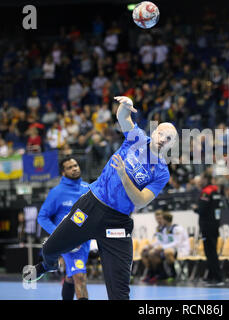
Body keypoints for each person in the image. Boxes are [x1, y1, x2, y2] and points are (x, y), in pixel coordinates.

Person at [23, 96, 178, 300]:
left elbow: (141, 201)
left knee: (120, 291)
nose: (162, 139)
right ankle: (47, 266)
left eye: (168, 139)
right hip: (92, 205)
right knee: (49, 248)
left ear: (170, 144)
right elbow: (123, 117)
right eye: (161, 133)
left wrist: (124, 176)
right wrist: (126, 106)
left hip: (117, 222)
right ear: (154, 131)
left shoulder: (161, 173)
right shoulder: (137, 138)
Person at [37, 156, 90, 300]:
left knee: (71, 276)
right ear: (63, 172)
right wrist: (59, 235)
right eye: (69, 167)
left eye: (76, 165)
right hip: (68, 244)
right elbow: (42, 217)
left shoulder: (88, 188)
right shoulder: (57, 192)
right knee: (79, 276)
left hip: (84, 242)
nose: (74, 169)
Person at [193, 173, 224, 286]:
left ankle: (218, 277)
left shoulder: (207, 191)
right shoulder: (216, 190)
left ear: (206, 179)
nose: (200, 181)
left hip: (207, 225)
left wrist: (195, 208)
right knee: (211, 251)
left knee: (210, 251)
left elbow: (201, 209)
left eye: (201, 179)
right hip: (215, 224)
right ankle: (211, 276)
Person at [142, 210, 190, 283]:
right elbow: (161, 241)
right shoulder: (164, 229)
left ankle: (173, 274)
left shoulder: (177, 228)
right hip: (170, 248)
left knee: (167, 252)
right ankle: (159, 273)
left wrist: (162, 247)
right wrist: (152, 246)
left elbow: (177, 243)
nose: (159, 221)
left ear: (164, 220)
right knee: (151, 253)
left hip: (181, 249)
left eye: (161, 219)